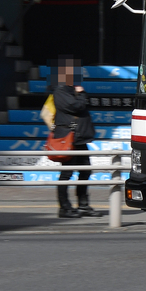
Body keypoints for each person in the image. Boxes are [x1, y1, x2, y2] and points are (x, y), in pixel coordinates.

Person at [52, 57, 96, 218]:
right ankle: (64, 208)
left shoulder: (70, 90)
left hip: (79, 139)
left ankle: (83, 204)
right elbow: (75, 106)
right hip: (69, 139)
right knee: (66, 174)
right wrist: (82, 94)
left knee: (86, 171)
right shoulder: (61, 90)